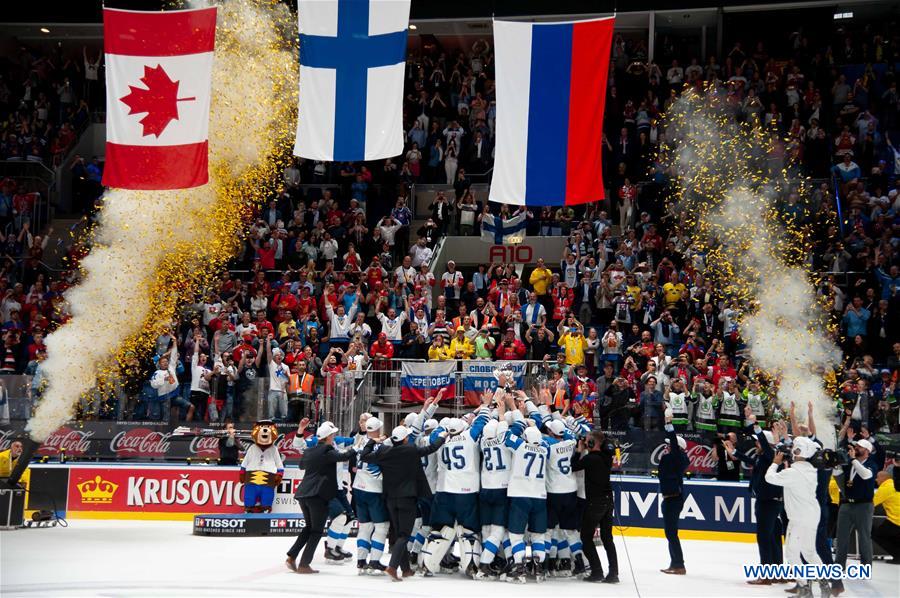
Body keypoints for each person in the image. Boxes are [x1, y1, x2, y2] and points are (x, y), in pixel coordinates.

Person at [360, 423, 446, 581]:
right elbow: (431, 448)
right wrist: (442, 437)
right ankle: (393, 567)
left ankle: (405, 569)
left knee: (400, 534)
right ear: (405, 439)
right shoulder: (410, 450)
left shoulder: (385, 452)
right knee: (404, 535)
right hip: (407, 498)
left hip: (390, 499)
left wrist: (372, 441)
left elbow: (364, 456)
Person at [287, 421, 354, 574]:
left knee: (309, 527)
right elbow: (343, 456)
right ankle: (304, 564)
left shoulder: (310, 451)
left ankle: (291, 556)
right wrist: (357, 449)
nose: (334, 436)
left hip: (303, 493)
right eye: (332, 434)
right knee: (316, 531)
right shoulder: (328, 450)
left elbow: (302, 466)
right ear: (328, 437)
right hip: (318, 495)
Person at [765, 436, 826, 598]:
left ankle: (804, 588)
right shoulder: (811, 470)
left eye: (794, 448)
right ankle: (824, 583)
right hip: (812, 514)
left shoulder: (792, 473)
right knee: (809, 552)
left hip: (799, 517)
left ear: (798, 451)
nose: (791, 450)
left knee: (792, 554)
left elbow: (769, 478)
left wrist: (775, 463)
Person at [729, 409, 783, 584]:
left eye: (758, 442)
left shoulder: (769, 455)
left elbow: (766, 447)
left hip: (767, 503)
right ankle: (778, 572)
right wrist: (735, 452)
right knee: (772, 537)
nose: (756, 444)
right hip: (767, 502)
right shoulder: (763, 458)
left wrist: (756, 426)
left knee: (764, 537)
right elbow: (751, 461)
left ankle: (766, 575)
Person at [572, 428, 618, 583]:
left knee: (585, 537)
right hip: (608, 501)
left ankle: (597, 571)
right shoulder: (607, 457)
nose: (585, 443)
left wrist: (579, 450)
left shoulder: (590, 459)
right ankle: (613, 573)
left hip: (595, 502)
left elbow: (573, 466)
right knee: (607, 538)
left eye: (587, 441)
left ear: (592, 443)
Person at [833, 438, 878, 573]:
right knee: (841, 537)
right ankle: (839, 566)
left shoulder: (871, 464)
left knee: (864, 537)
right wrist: (834, 463)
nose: (856, 448)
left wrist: (853, 460)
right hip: (846, 504)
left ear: (867, 451)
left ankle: (865, 568)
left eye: (859, 447)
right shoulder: (849, 463)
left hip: (864, 506)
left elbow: (865, 475)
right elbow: (837, 474)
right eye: (856, 446)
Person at [658, 412, 690, 575]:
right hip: (670, 499)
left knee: (671, 533)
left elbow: (673, 443)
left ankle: (678, 564)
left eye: (670, 445)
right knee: (670, 533)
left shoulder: (678, 457)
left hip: (673, 499)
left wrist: (669, 424)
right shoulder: (672, 458)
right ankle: (675, 563)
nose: (667, 447)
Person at [872, 468, 900, 563]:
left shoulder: (885, 487)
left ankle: (898, 556)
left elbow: (872, 503)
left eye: (877, 477)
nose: (876, 480)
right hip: (896, 518)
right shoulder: (895, 484)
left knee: (878, 536)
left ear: (883, 478)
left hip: (895, 520)